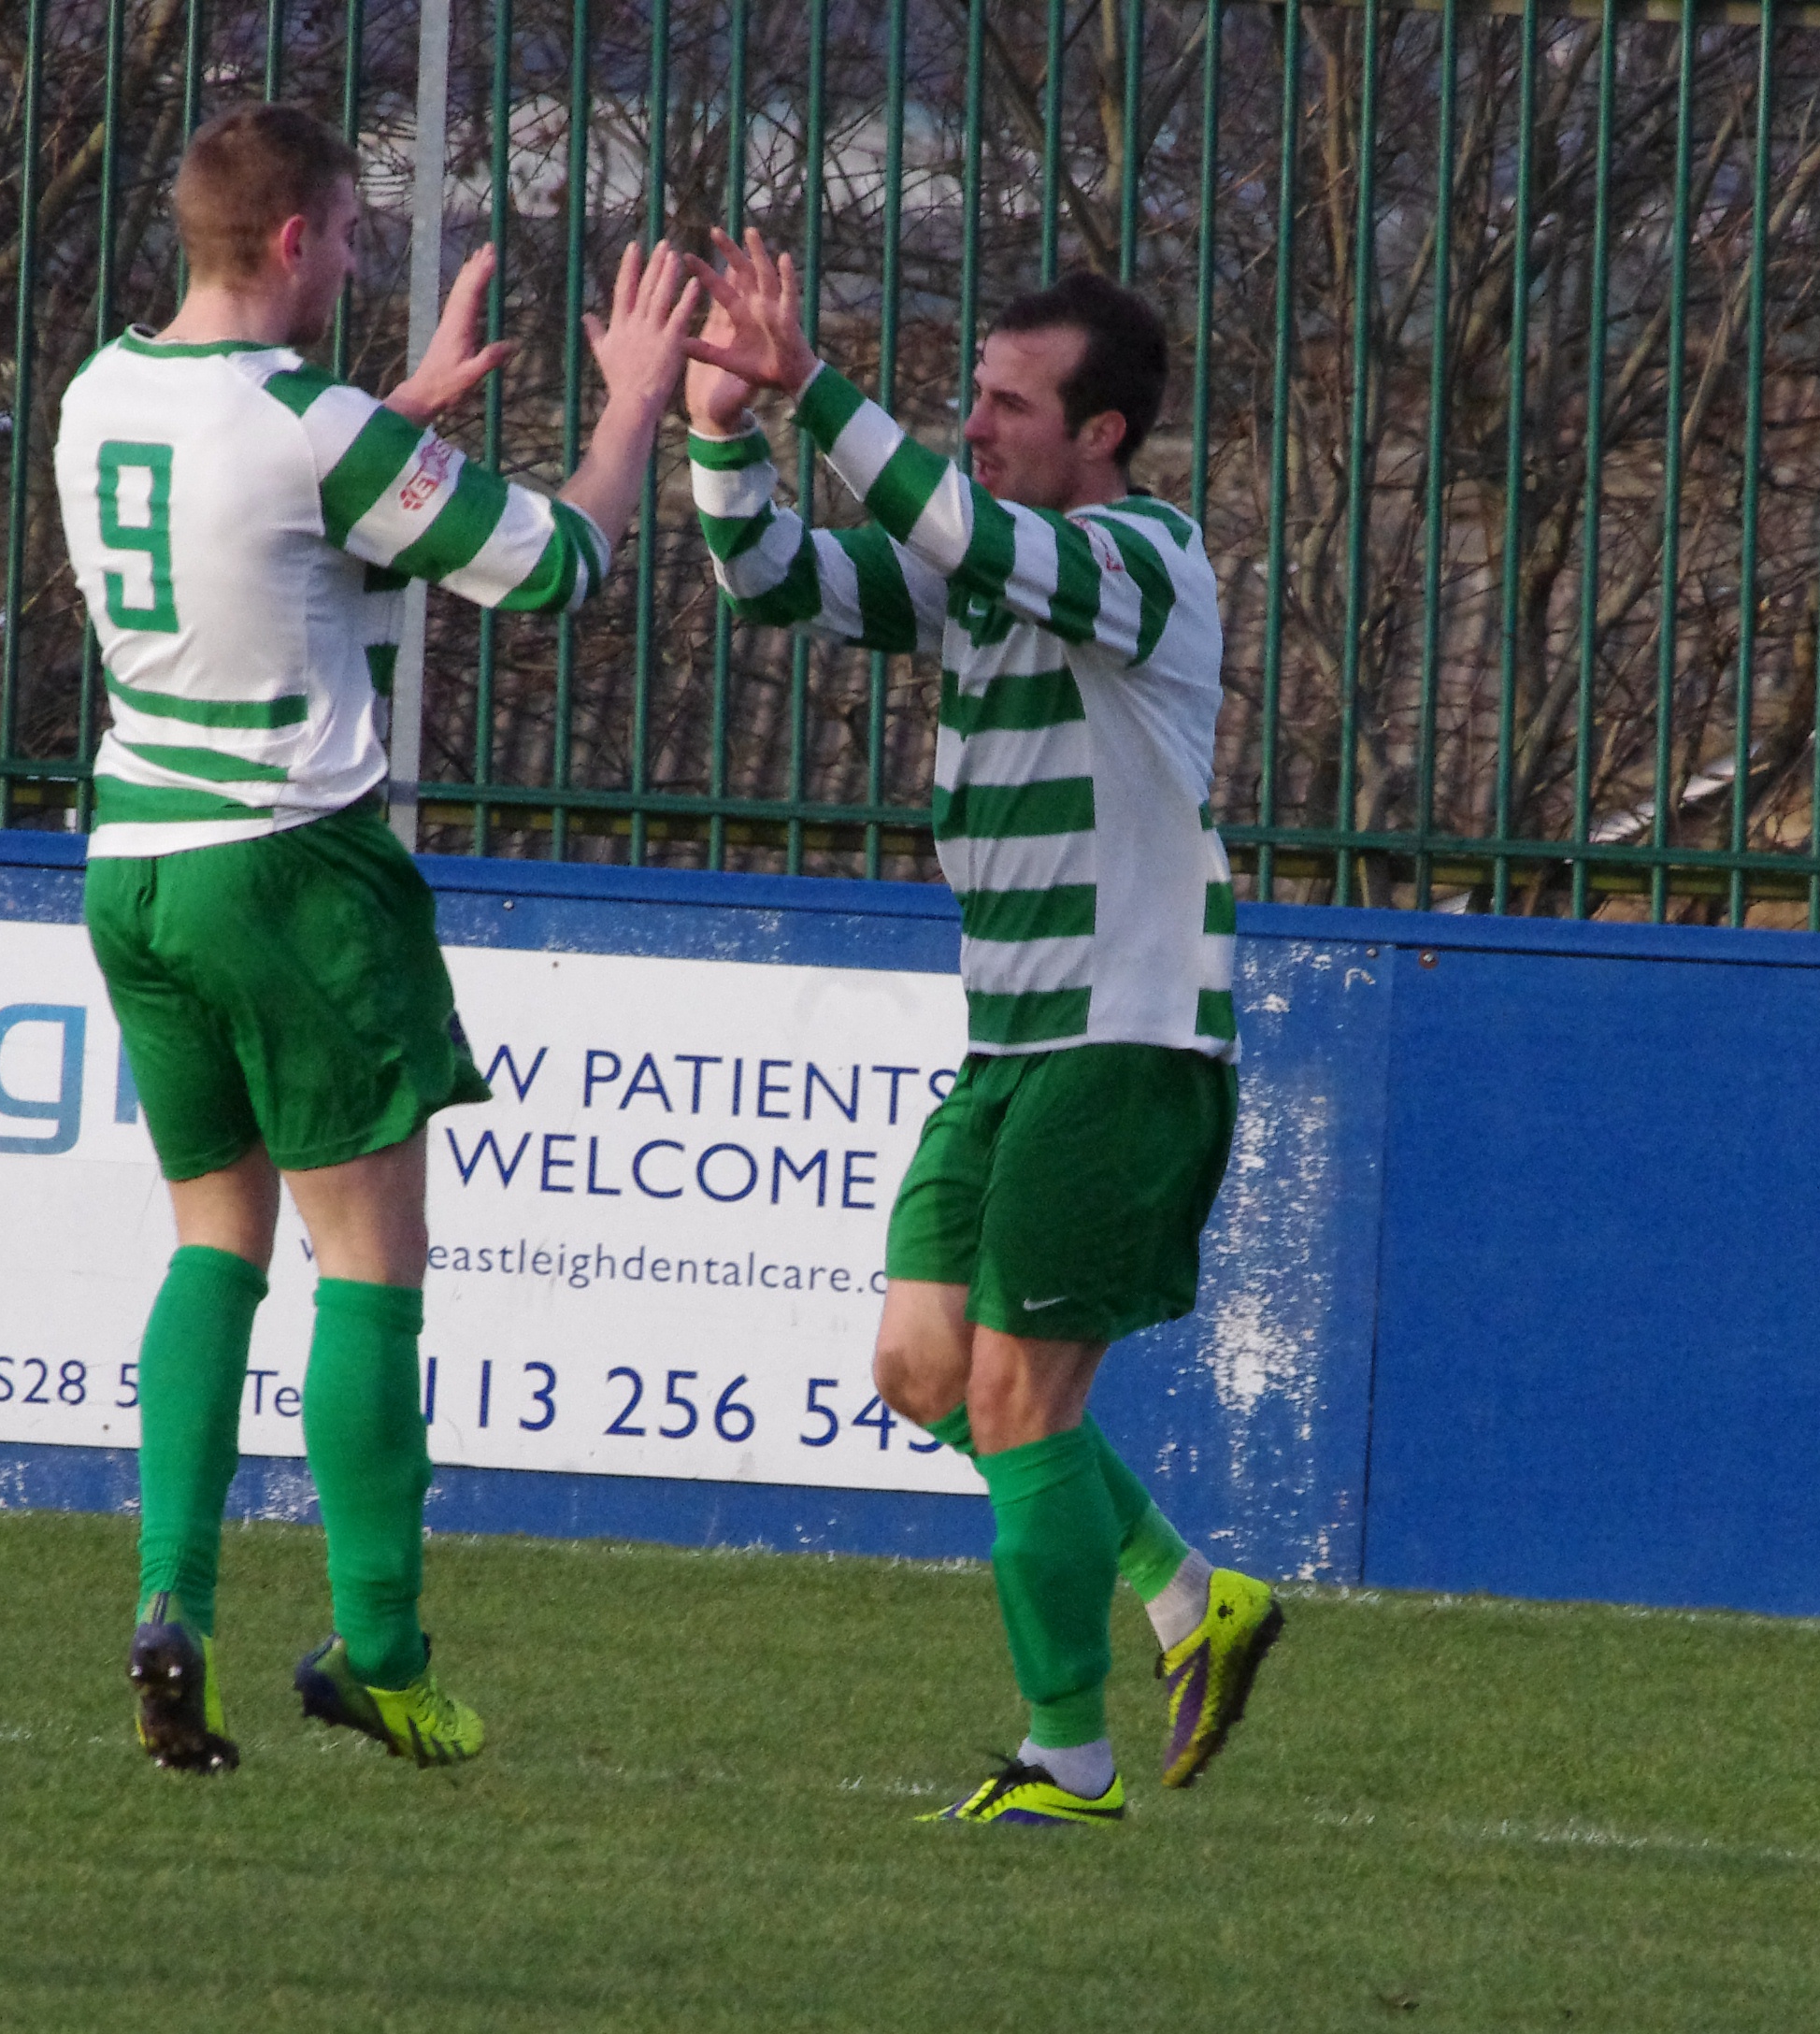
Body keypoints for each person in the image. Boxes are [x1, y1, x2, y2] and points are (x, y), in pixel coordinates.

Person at [57, 101, 709, 1771]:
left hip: (135, 861)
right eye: (349, 232)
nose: (357, 260)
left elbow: (257, 558)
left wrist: (393, 424)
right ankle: (386, 1649)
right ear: (292, 241)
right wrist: (635, 401)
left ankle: (171, 1606)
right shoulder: (307, 421)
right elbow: (559, 564)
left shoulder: (97, 393)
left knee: (216, 1241)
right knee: (372, 1268)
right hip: (288, 865)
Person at [682, 232, 1283, 1827]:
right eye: (978, 396)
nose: (983, 424)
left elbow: (945, 523)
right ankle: (1185, 1593)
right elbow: (768, 579)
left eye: (1016, 405)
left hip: (1128, 1042)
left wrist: (811, 383)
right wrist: (724, 430)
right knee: (922, 1367)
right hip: (1011, 1045)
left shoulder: (1145, 560)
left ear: (1104, 437)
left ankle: (1065, 1762)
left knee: (1022, 1401)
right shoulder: (983, 560)